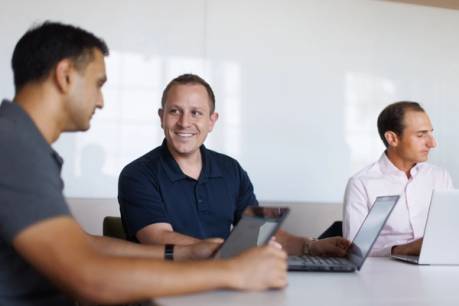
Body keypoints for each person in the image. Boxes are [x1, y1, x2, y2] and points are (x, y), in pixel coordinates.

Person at [0, 21, 288, 306]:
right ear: (64, 76)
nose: (100, 101)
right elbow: (90, 278)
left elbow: (82, 243)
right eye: (98, 84)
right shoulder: (13, 145)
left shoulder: (20, 141)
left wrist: (186, 253)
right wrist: (232, 271)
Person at [118, 73, 350, 257]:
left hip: (225, 280)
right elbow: (158, 237)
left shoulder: (231, 170)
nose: (184, 122)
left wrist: (312, 246)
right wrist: (229, 253)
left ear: (212, 121)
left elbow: (259, 233)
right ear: (161, 117)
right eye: (174, 111)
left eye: (196, 113)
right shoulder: (137, 174)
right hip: (163, 284)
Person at [343, 101, 454, 257]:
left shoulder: (439, 177)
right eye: (421, 135)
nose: (432, 143)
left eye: (430, 133)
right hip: (382, 273)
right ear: (392, 138)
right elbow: (354, 251)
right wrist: (402, 250)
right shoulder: (362, 183)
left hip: (436, 267)